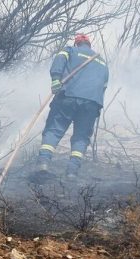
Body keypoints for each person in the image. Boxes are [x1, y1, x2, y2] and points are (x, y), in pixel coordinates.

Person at [36, 33, 109, 179]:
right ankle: (72, 171)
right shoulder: (102, 61)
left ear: (77, 43)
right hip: (92, 103)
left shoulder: (70, 50)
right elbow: (104, 85)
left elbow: (59, 60)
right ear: (89, 45)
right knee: (81, 137)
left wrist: (56, 79)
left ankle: (43, 162)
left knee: (54, 129)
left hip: (68, 96)